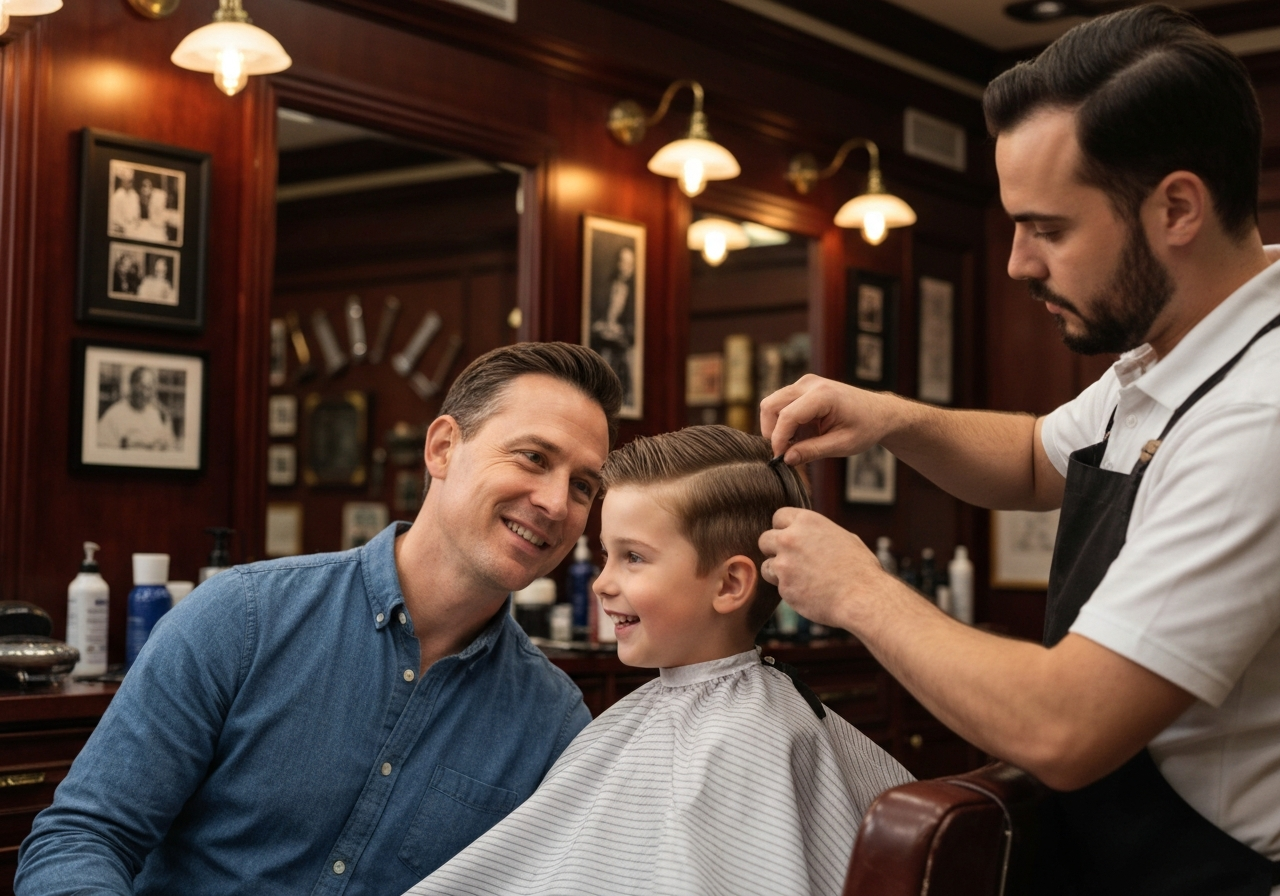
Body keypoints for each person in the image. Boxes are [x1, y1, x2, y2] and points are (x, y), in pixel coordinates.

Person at [758, 7, 1280, 894]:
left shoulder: (1257, 419)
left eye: (1049, 228)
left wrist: (858, 593)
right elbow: (1040, 458)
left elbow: (1064, 729)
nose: (1016, 264)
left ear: (1177, 208)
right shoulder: (1175, 349)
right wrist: (893, 418)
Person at [17, 342, 623, 896]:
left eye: (582, 486)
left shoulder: (552, 721)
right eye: (533, 457)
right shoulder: (243, 619)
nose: (554, 502)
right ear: (442, 448)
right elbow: (80, 840)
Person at [404, 425, 913, 896]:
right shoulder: (653, 721)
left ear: (730, 584)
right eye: (606, 555)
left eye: (634, 558)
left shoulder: (746, 742)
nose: (603, 582)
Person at [590, 244, 635, 406]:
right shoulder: (606, 285)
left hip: (623, 340)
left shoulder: (635, 291)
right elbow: (594, 313)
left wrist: (620, 329)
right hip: (603, 336)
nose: (626, 268)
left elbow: (633, 326)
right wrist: (600, 324)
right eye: (623, 262)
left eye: (630, 264)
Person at [96, 366, 175, 451]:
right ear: (131, 385)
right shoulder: (114, 415)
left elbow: (169, 447)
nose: (145, 393)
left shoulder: (157, 414)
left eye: (149, 388)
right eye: (141, 387)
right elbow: (104, 451)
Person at [107, 165, 140, 237]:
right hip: (121, 230)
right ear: (122, 181)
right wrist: (125, 227)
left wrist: (135, 224)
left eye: (131, 181)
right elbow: (114, 217)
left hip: (133, 229)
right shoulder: (117, 196)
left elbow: (137, 214)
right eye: (128, 181)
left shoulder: (134, 195)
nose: (130, 184)